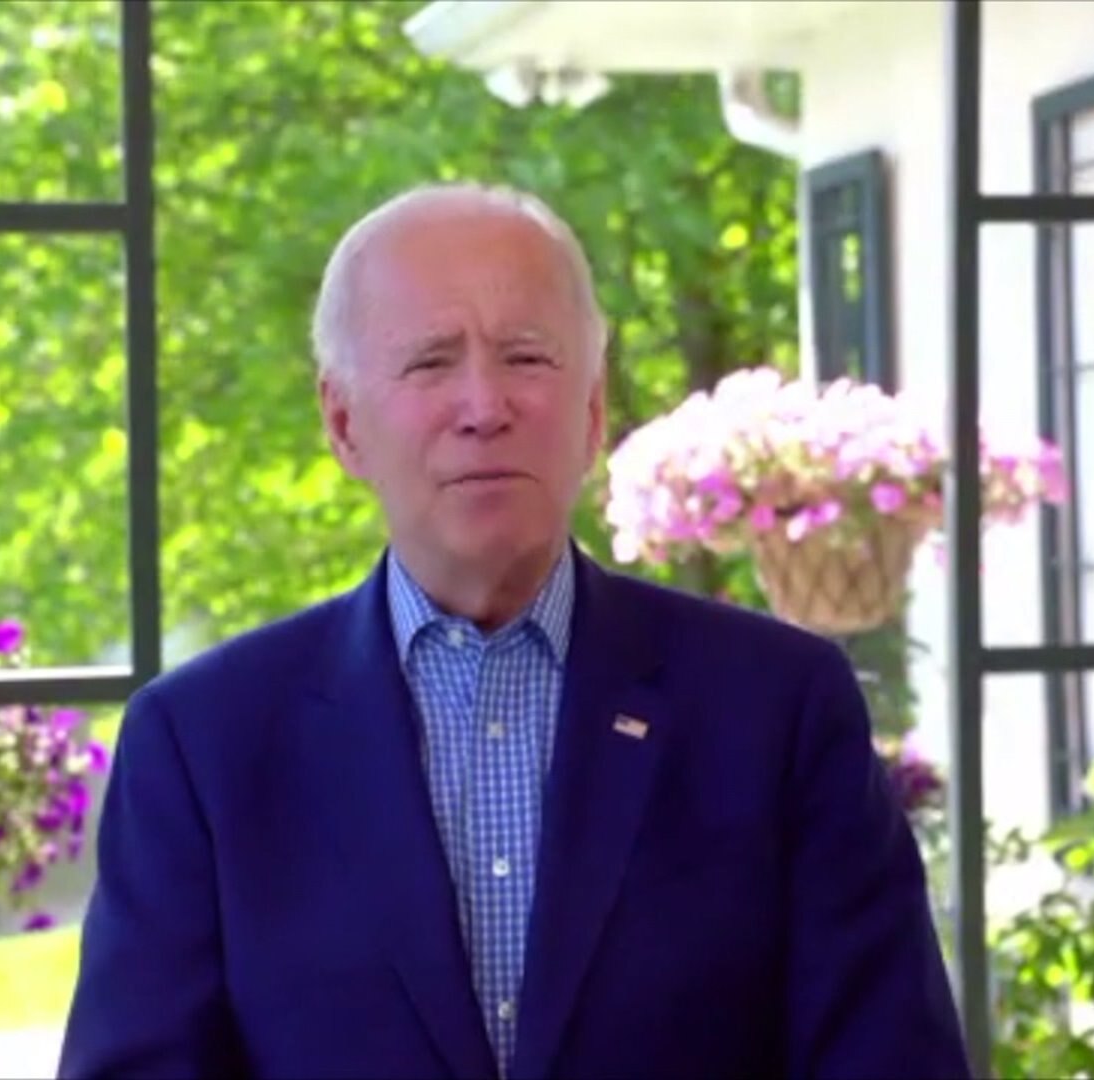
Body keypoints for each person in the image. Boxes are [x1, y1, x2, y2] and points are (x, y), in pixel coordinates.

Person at [56, 183, 970, 1079]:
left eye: (527, 358)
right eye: (429, 363)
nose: (485, 405)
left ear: (593, 411)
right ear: (343, 423)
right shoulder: (204, 744)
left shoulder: (777, 709)